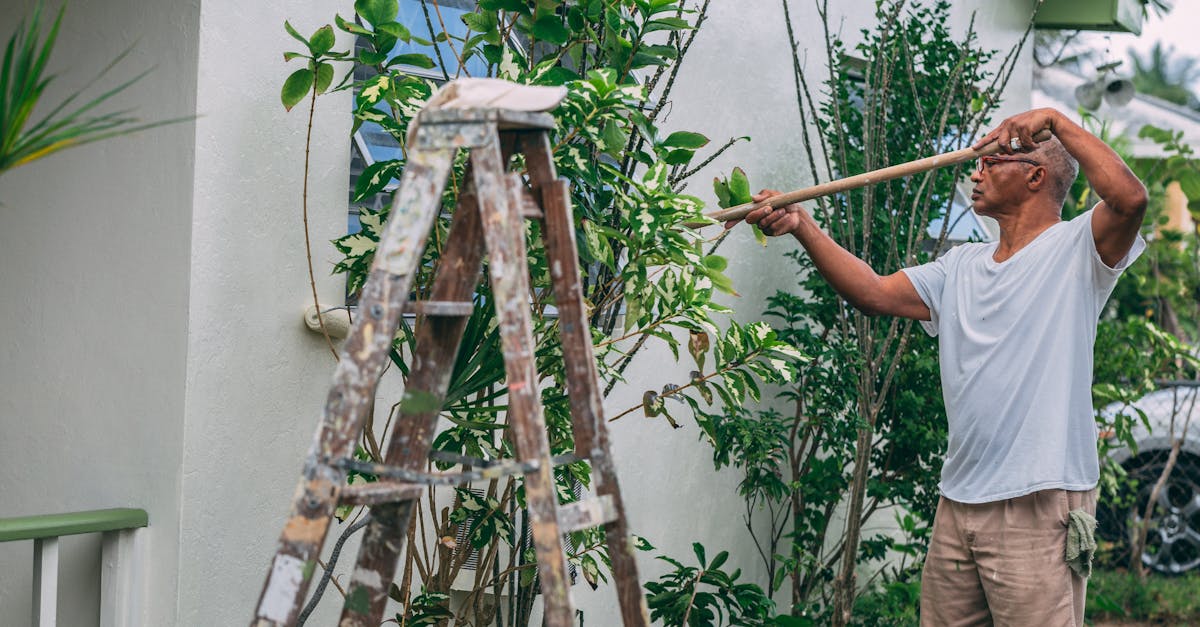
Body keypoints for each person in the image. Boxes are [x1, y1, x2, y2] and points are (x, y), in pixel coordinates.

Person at [732, 107, 1147, 626]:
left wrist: (1057, 123)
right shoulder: (960, 266)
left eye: (991, 162)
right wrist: (801, 225)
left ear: (1035, 175)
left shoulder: (1077, 249)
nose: (975, 172)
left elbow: (1130, 200)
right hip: (960, 502)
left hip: (1039, 501)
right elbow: (874, 292)